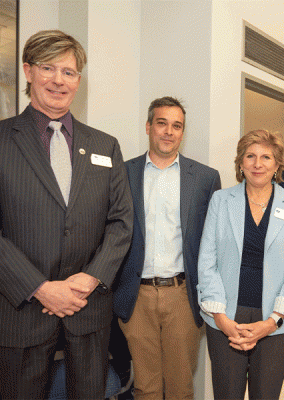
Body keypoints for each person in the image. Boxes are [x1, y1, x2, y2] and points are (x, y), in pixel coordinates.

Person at [0, 30, 134, 399]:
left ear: (79, 80)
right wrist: (41, 289)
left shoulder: (105, 146)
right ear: (28, 71)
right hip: (21, 313)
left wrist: (90, 279)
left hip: (87, 311)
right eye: (48, 68)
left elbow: (121, 223)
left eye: (69, 72)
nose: (59, 80)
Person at [112, 96, 221, 399]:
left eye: (177, 126)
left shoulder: (205, 178)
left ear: (182, 133)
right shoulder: (122, 173)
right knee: (145, 387)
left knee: (180, 386)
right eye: (162, 123)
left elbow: (211, 242)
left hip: (182, 297)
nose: (169, 132)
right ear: (148, 127)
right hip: (136, 297)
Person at [197, 129, 284, 400]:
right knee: (227, 394)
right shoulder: (221, 201)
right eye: (250, 156)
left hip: (273, 318)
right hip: (225, 314)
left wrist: (271, 322)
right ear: (240, 162)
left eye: (266, 157)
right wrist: (221, 319)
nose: (258, 164)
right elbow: (207, 259)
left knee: (266, 395)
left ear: (277, 165)